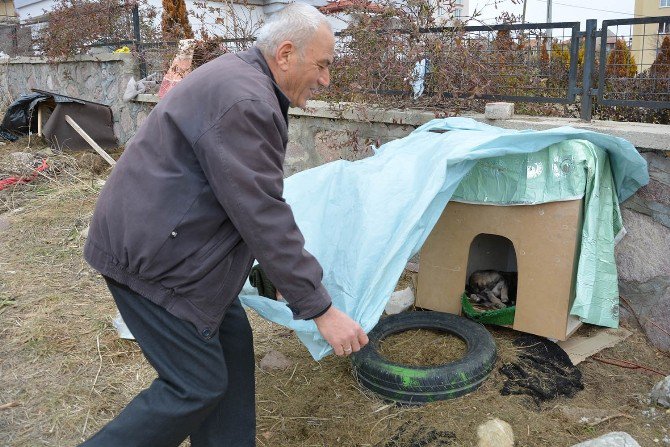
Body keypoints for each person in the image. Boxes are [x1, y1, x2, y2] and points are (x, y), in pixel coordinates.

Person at [80, 4, 368, 446]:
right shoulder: (246, 100)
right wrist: (320, 309)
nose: (326, 79)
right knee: (194, 386)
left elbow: (241, 196)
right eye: (323, 65)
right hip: (155, 258)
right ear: (286, 53)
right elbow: (261, 212)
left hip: (178, 245)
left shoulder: (246, 77)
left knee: (231, 357)